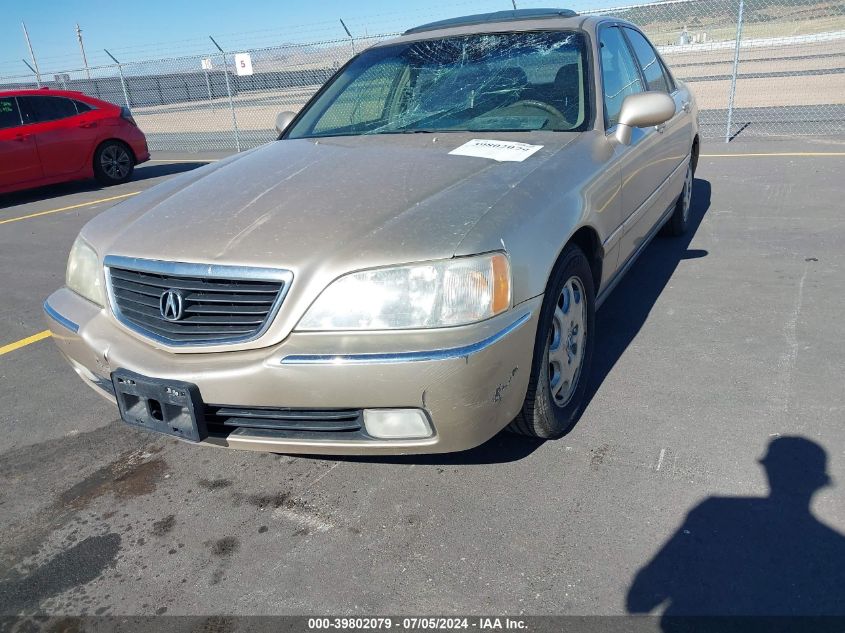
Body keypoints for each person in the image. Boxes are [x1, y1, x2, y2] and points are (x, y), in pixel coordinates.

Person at [627, 437, 845, 629]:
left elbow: (640, 599)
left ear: (769, 470)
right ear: (818, 482)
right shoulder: (836, 549)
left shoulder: (715, 512)